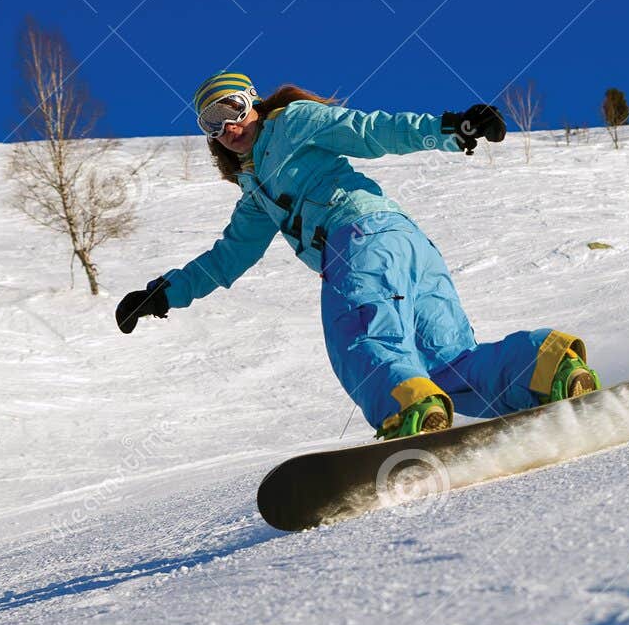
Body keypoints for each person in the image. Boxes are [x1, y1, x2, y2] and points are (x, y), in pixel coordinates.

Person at [116, 72, 598, 439]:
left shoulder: (292, 123)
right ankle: (548, 369)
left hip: (360, 240)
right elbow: (227, 257)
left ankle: (405, 409)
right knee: (448, 364)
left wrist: (450, 128)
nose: (227, 126)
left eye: (231, 108)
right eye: (211, 123)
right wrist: (163, 294)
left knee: (358, 332)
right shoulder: (256, 194)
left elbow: (368, 131)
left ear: (254, 103)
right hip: (411, 248)